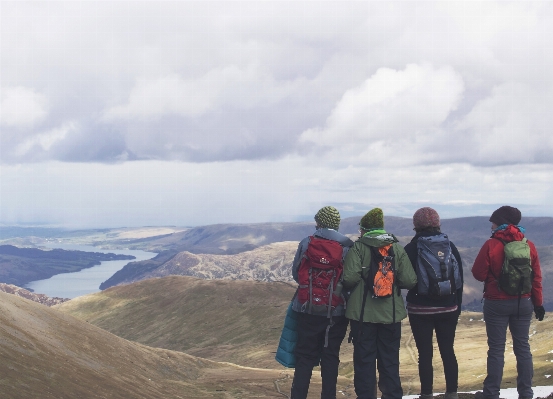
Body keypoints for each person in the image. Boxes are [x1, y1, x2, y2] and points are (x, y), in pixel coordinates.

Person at [342, 208, 417, 399]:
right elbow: (409, 281)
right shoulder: (396, 248)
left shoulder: (358, 248)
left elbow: (349, 279)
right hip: (390, 316)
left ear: (364, 229)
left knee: (364, 361)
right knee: (389, 360)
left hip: (362, 316)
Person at [472, 206, 544, 399]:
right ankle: (526, 393)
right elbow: (536, 277)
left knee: (496, 349)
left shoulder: (491, 244)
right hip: (523, 302)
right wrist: (538, 304)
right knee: (523, 347)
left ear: (500, 222)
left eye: (493, 222)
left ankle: (491, 394)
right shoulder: (528, 245)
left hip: (496, 302)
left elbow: (478, 274)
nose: (491, 225)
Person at [290, 206, 354, 399]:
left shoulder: (307, 242)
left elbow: (296, 273)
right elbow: (350, 280)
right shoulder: (347, 246)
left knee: (304, 358)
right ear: (336, 223)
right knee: (330, 357)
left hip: (307, 309)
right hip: (335, 312)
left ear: (318, 222)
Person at [403, 207, 463, 399]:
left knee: (424, 352)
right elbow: (459, 279)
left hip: (420, 309)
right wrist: (457, 306)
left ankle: (427, 394)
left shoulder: (411, 249)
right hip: (449, 308)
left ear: (416, 225)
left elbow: (405, 280)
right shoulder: (449, 246)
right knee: (448, 350)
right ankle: (452, 393)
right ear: (438, 223)